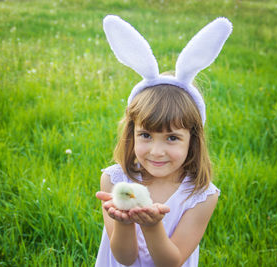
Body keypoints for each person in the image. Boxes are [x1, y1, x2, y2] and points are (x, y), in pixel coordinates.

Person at [95, 15, 232, 267]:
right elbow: (123, 259)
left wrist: (153, 226)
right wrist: (125, 223)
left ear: (193, 140)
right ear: (131, 133)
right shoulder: (116, 179)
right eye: (146, 135)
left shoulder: (200, 195)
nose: (157, 152)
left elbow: (172, 262)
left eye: (172, 138)